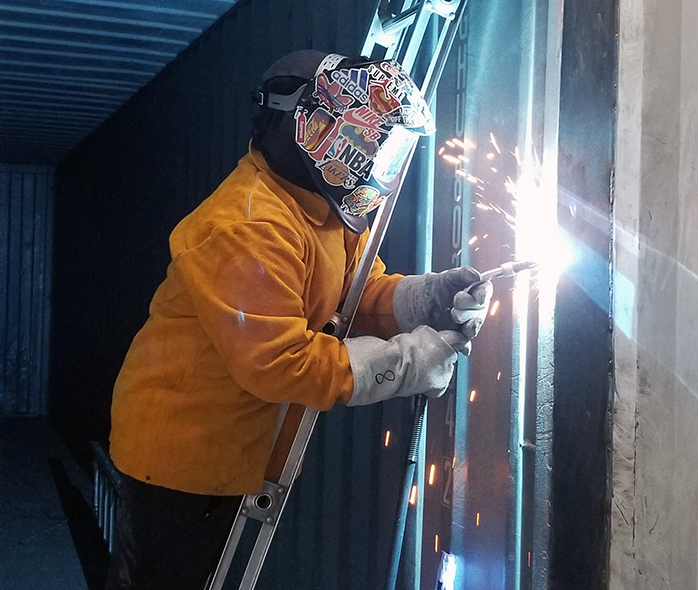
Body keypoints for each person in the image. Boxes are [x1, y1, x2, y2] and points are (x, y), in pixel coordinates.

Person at [104, 50, 492, 589]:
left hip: (238, 447)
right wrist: (407, 364)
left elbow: (358, 291)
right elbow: (279, 363)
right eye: (372, 141)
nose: (376, 158)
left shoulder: (320, 206)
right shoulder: (247, 226)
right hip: (180, 455)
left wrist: (425, 298)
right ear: (315, 129)